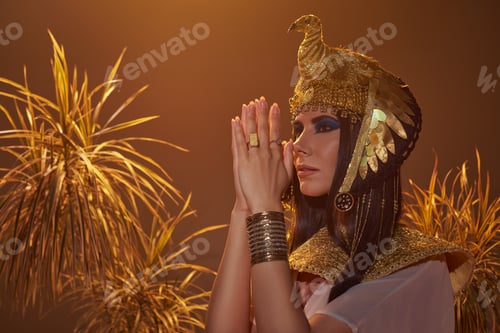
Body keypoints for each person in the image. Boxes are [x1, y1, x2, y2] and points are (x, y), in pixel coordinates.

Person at [205, 14, 474, 333]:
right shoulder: (303, 262)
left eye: (325, 126)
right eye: (298, 129)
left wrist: (266, 210)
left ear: (369, 142)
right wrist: (244, 207)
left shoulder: (416, 265)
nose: (299, 145)